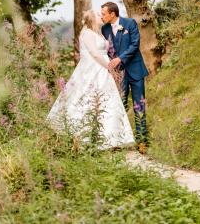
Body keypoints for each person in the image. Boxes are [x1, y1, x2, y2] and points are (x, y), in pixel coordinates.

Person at [46, 10, 135, 150]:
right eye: (98, 15)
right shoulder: (87, 33)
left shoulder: (99, 32)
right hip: (93, 69)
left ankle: (112, 139)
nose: (102, 16)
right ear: (92, 19)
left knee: (108, 100)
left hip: (102, 69)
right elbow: (94, 53)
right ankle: (83, 137)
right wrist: (109, 66)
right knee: (86, 98)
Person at [101, 2, 149, 151]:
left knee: (139, 105)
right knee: (119, 106)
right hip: (118, 75)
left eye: (103, 14)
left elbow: (135, 45)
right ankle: (119, 141)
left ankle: (142, 142)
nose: (101, 16)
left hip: (135, 71)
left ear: (112, 14)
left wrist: (120, 58)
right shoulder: (104, 29)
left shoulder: (129, 23)